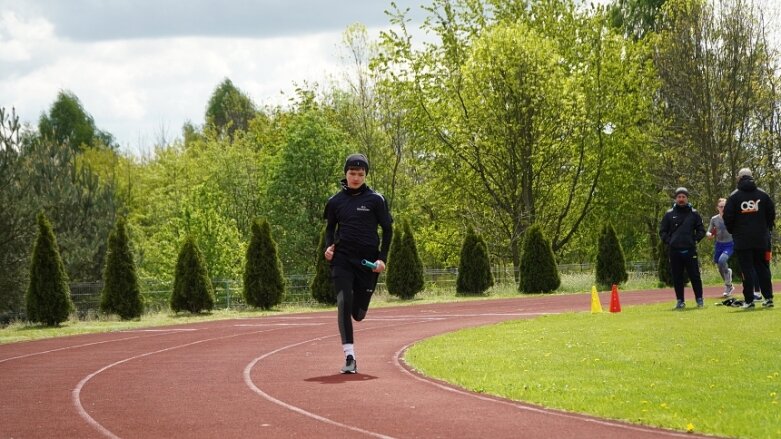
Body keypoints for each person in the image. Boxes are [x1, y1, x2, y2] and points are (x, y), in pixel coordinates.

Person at [323, 153, 393, 373]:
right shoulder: (335, 202)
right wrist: (328, 247)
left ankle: (359, 305)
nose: (355, 178)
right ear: (345, 173)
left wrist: (382, 258)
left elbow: (388, 230)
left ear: (365, 175)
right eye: (352, 173)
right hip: (342, 258)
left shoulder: (376, 200)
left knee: (358, 314)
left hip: (368, 262)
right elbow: (329, 229)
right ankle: (350, 357)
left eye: (360, 174)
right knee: (343, 301)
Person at [723, 168, 775, 309]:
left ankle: (749, 301)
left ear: (739, 178)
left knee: (747, 270)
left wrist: (734, 231)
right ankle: (768, 298)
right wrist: (766, 229)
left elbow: (727, 217)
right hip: (761, 239)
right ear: (752, 177)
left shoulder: (734, 197)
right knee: (763, 268)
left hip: (742, 240)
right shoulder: (763, 195)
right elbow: (771, 214)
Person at [659, 187, 706, 309]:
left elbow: (701, 230)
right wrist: (670, 242)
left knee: (695, 275)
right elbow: (662, 231)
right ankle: (680, 301)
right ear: (675, 198)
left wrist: (694, 240)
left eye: (683, 197)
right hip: (675, 251)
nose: (681, 199)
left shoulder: (694, 214)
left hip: (690, 250)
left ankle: (699, 299)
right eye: (679, 197)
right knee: (677, 277)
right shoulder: (669, 214)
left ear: (687, 198)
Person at [706, 198, 735, 297]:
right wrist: (709, 234)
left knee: (722, 261)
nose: (723, 208)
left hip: (730, 244)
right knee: (720, 267)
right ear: (717, 208)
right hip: (719, 245)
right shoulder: (714, 219)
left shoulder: (732, 217)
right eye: (721, 207)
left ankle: (727, 284)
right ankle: (729, 285)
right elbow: (709, 231)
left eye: (725, 206)